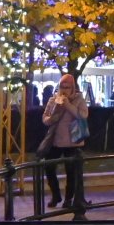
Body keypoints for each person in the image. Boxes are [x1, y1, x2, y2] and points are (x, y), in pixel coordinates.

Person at [40, 73, 88, 209]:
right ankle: (56, 195)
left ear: (73, 87)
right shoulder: (53, 99)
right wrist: (51, 117)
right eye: (62, 86)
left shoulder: (78, 99)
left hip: (72, 141)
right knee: (49, 166)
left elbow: (83, 115)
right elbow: (45, 117)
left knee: (71, 171)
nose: (64, 89)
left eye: (67, 87)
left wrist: (68, 105)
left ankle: (69, 198)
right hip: (56, 140)